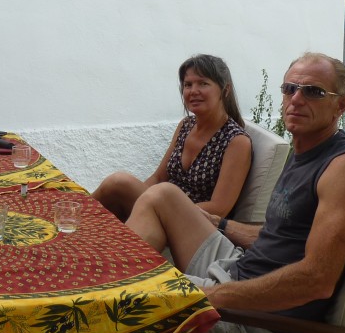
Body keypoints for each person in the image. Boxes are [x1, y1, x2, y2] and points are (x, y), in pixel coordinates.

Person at [34, 52, 345, 333]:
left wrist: (209, 295)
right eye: (290, 88)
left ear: (341, 104)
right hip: (240, 271)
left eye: (313, 91)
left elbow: (316, 280)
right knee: (163, 196)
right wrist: (222, 224)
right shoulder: (308, 153)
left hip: (259, 319)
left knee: (130, 292)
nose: (296, 99)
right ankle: (86, 282)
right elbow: (281, 237)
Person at [91, 54, 252, 221]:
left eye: (203, 83)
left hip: (192, 222)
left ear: (226, 89)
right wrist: (140, 200)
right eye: (188, 85)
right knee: (115, 195)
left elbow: (219, 208)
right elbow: (159, 177)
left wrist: (155, 206)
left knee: (119, 182)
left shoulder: (236, 141)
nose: (193, 91)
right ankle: (76, 219)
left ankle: (76, 214)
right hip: (159, 208)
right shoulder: (186, 126)